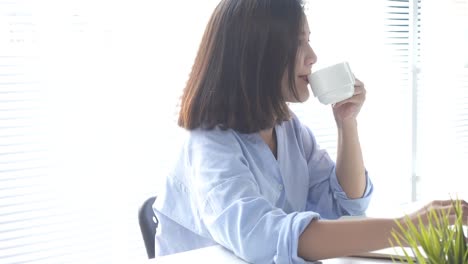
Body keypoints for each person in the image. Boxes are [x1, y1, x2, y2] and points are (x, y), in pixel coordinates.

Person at [153, 0, 468, 263]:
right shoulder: (209, 145)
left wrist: (347, 123)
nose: (313, 56)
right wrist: (409, 226)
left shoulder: (287, 128)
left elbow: (345, 207)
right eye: (299, 42)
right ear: (258, 54)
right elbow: (263, 237)